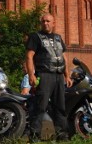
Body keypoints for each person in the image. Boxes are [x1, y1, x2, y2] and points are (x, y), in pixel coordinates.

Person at [25, 13, 72, 142]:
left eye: (48, 21)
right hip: (44, 75)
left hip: (58, 77)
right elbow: (29, 56)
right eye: (43, 21)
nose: (45, 23)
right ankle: (34, 136)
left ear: (53, 23)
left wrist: (67, 75)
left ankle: (61, 135)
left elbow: (64, 57)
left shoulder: (58, 38)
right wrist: (31, 75)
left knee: (60, 107)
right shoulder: (35, 37)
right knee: (40, 106)